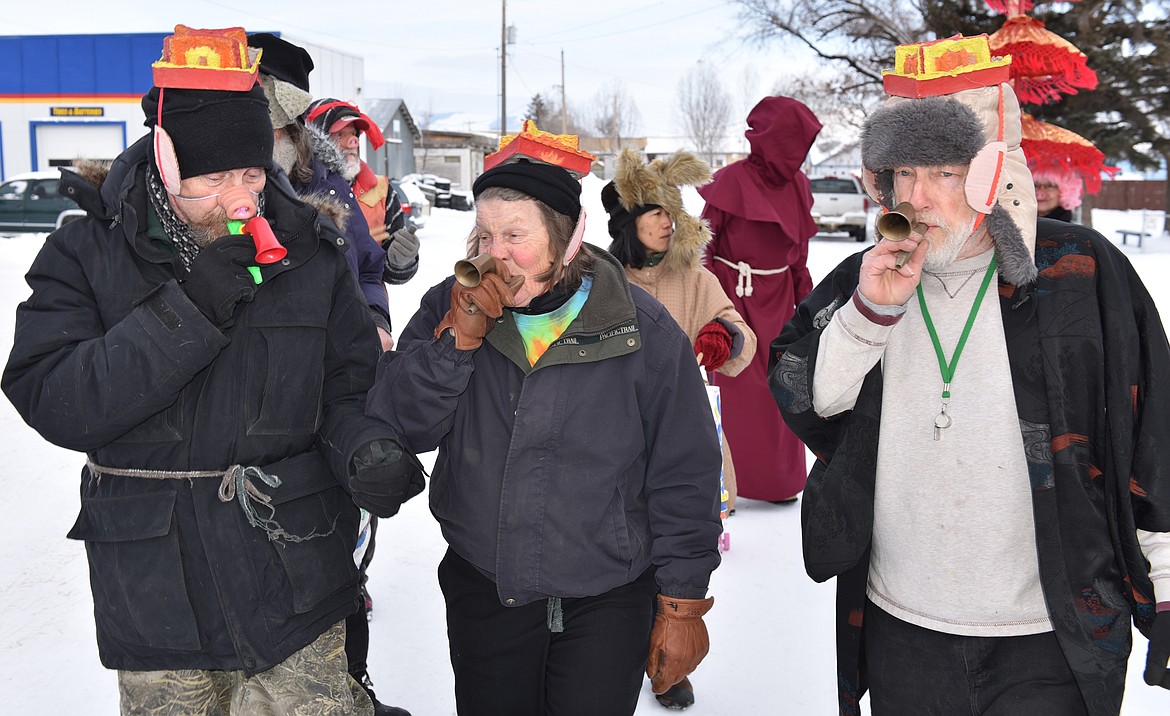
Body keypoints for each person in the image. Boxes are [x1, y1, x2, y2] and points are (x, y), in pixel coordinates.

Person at [1, 26, 426, 715]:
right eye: (215, 179)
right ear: (167, 167)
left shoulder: (309, 252)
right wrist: (188, 309)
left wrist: (364, 450)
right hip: (156, 592)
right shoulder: (89, 251)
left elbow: (347, 389)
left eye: (253, 174)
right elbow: (53, 397)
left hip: (294, 575)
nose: (240, 199)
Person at [769, 35, 1170, 716]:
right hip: (904, 626)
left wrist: (1164, 585)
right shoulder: (866, 276)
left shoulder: (1080, 277)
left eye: (944, 173)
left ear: (994, 171)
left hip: (1049, 634)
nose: (917, 198)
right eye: (900, 174)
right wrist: (870, 313)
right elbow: (812, 401)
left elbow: (1151, 437)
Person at [365, 145, 723, 715]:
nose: (494, 255)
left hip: (607, 598)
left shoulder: (641, 329)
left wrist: (682, 602)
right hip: (485, 588)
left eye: (515, 236)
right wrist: (453, 346)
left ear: (566, 240)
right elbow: (401, 425)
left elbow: (685, 473)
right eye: (483, 235)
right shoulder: (448, 307)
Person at [248, 32, 412, 716]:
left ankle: (351, 688)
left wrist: (374, 315)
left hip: (336, 398)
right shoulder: (214, 192)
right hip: (255, 412)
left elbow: (370, 269)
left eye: (276, 122)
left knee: (341, 549)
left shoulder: (330, 185)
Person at [601, 147, 753, 709]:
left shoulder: (696, 275)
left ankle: (670, 663)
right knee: (625, 552)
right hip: (613, 437)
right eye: (656, 211)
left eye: (673, 211)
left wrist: (723, 336)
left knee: (676, 553)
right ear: (628, 220)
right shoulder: (600, 275)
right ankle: (623, 649)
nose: (669, 222)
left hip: (680, 438)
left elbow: (740, 333)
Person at [698, 96, 822, 503]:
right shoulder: (730, 180)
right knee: (738, 389)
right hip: (735, 297)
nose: (798, 155)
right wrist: (715, 304)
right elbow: (703, 248)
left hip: (781, 301)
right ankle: (731, 483)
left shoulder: (799, 186)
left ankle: (779, 483)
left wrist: (809, 307)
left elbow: (798, 257)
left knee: (782, 388)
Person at [306, 97, 420, 291]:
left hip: (370, 310)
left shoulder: (383, 191)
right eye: (339, 134)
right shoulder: (299, 188)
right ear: (318, 140)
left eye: (353, 134)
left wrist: (401, 261)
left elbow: (385, 272)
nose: (352, 142)